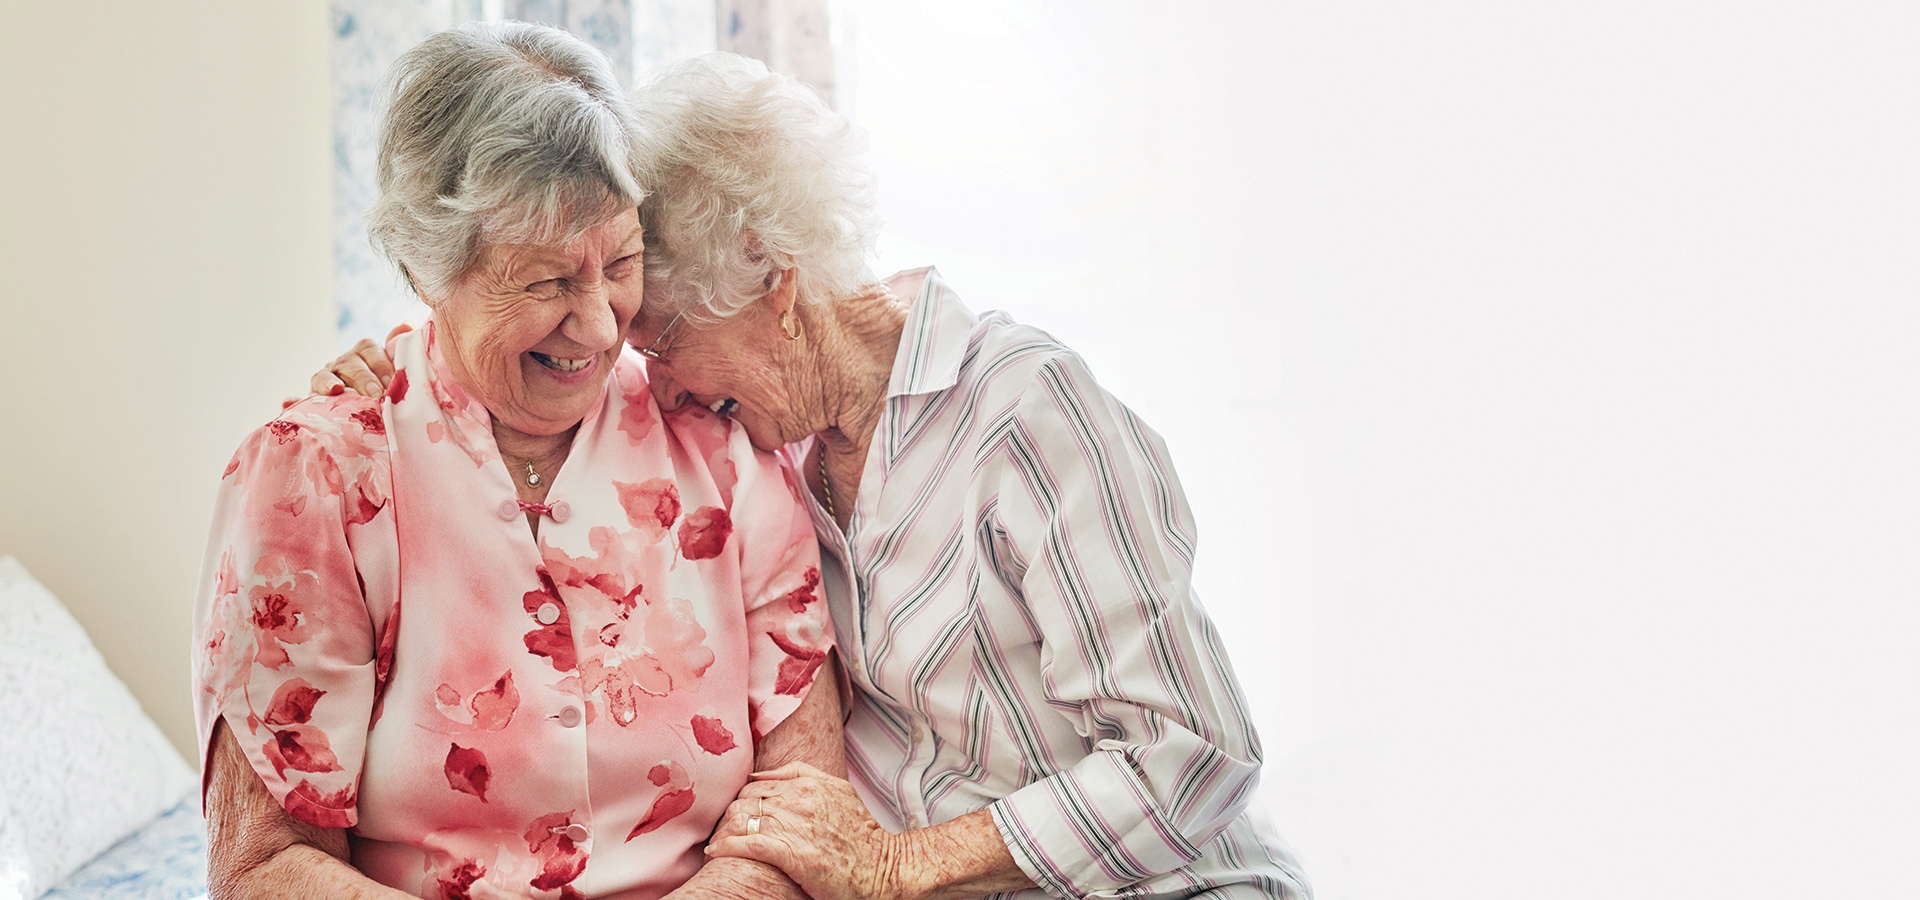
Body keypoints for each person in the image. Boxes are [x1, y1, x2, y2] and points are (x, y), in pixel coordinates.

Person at [317, 52, 1309, 899]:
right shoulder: (761, 448)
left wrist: (898, 866)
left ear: (771, 283)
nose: (655, 385)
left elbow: (1197, 752)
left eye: (662, 338)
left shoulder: (1025, 412)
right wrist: (402, 374)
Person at [195, 26, 842, 900]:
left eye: (618, 263)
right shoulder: (318, 480)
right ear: (430, 272)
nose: (602, 325)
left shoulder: (718, 448)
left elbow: (806, 806)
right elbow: (262, 866)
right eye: (543, 283)